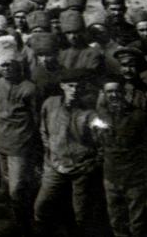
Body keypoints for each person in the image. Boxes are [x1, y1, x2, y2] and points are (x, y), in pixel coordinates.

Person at [34, 69, 109, 236]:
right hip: (54, 166)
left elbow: (103, 143)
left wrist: (91, 165)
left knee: (81, 213)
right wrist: (50, 152)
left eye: (78, 87)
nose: (74, 90)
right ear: (62, 86)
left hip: (81, 169)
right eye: (70, 86)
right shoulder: (50, 104)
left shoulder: (90, 113)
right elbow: (43, 130)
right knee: (41, 207)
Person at [0, 35, 40, 235]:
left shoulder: (29, 89)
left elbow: (36, 119)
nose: (6, 69)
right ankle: (14, 221)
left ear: (17, 64)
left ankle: (24, 225)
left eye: (9, 65)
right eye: (2, 66)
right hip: (1, 141)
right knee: (7, 184)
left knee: (18, 188)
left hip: (21, 144)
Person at [97, 79, 147, 237]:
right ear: (103, 94)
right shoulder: (100, 117)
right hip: (111, 177)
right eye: (109, 92)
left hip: (135, 179)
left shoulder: (140, 116)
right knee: (116, 220)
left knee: (138, 223)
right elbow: (99, 144)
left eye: (117, 91)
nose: (113, 95)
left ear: (124, 93)